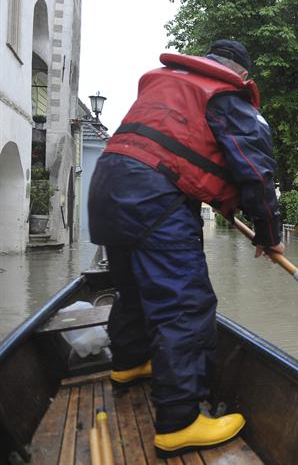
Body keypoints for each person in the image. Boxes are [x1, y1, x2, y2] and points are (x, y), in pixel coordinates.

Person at [88, 40, 283, 457]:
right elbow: (255, 171)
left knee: (134, 289)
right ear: (243, 74)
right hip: (154, 196)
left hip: (107, 186)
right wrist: (269, 234)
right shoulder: (226, 94)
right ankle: (180, 422)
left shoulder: (167, 85)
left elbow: (183, 152)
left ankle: (129, 363)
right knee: (184, 305)